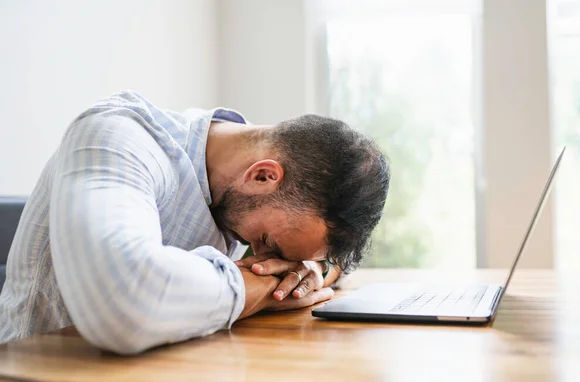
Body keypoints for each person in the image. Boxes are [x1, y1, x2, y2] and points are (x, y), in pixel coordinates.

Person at [0, 91, 390, 354]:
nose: (264, 256)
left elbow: (322, 262)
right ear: (263, 176)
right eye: (270, 241)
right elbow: (122, 305)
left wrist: (312, 270)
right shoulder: (119, 136)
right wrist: (260, 288)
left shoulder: (244, 185)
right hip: (42, 377)